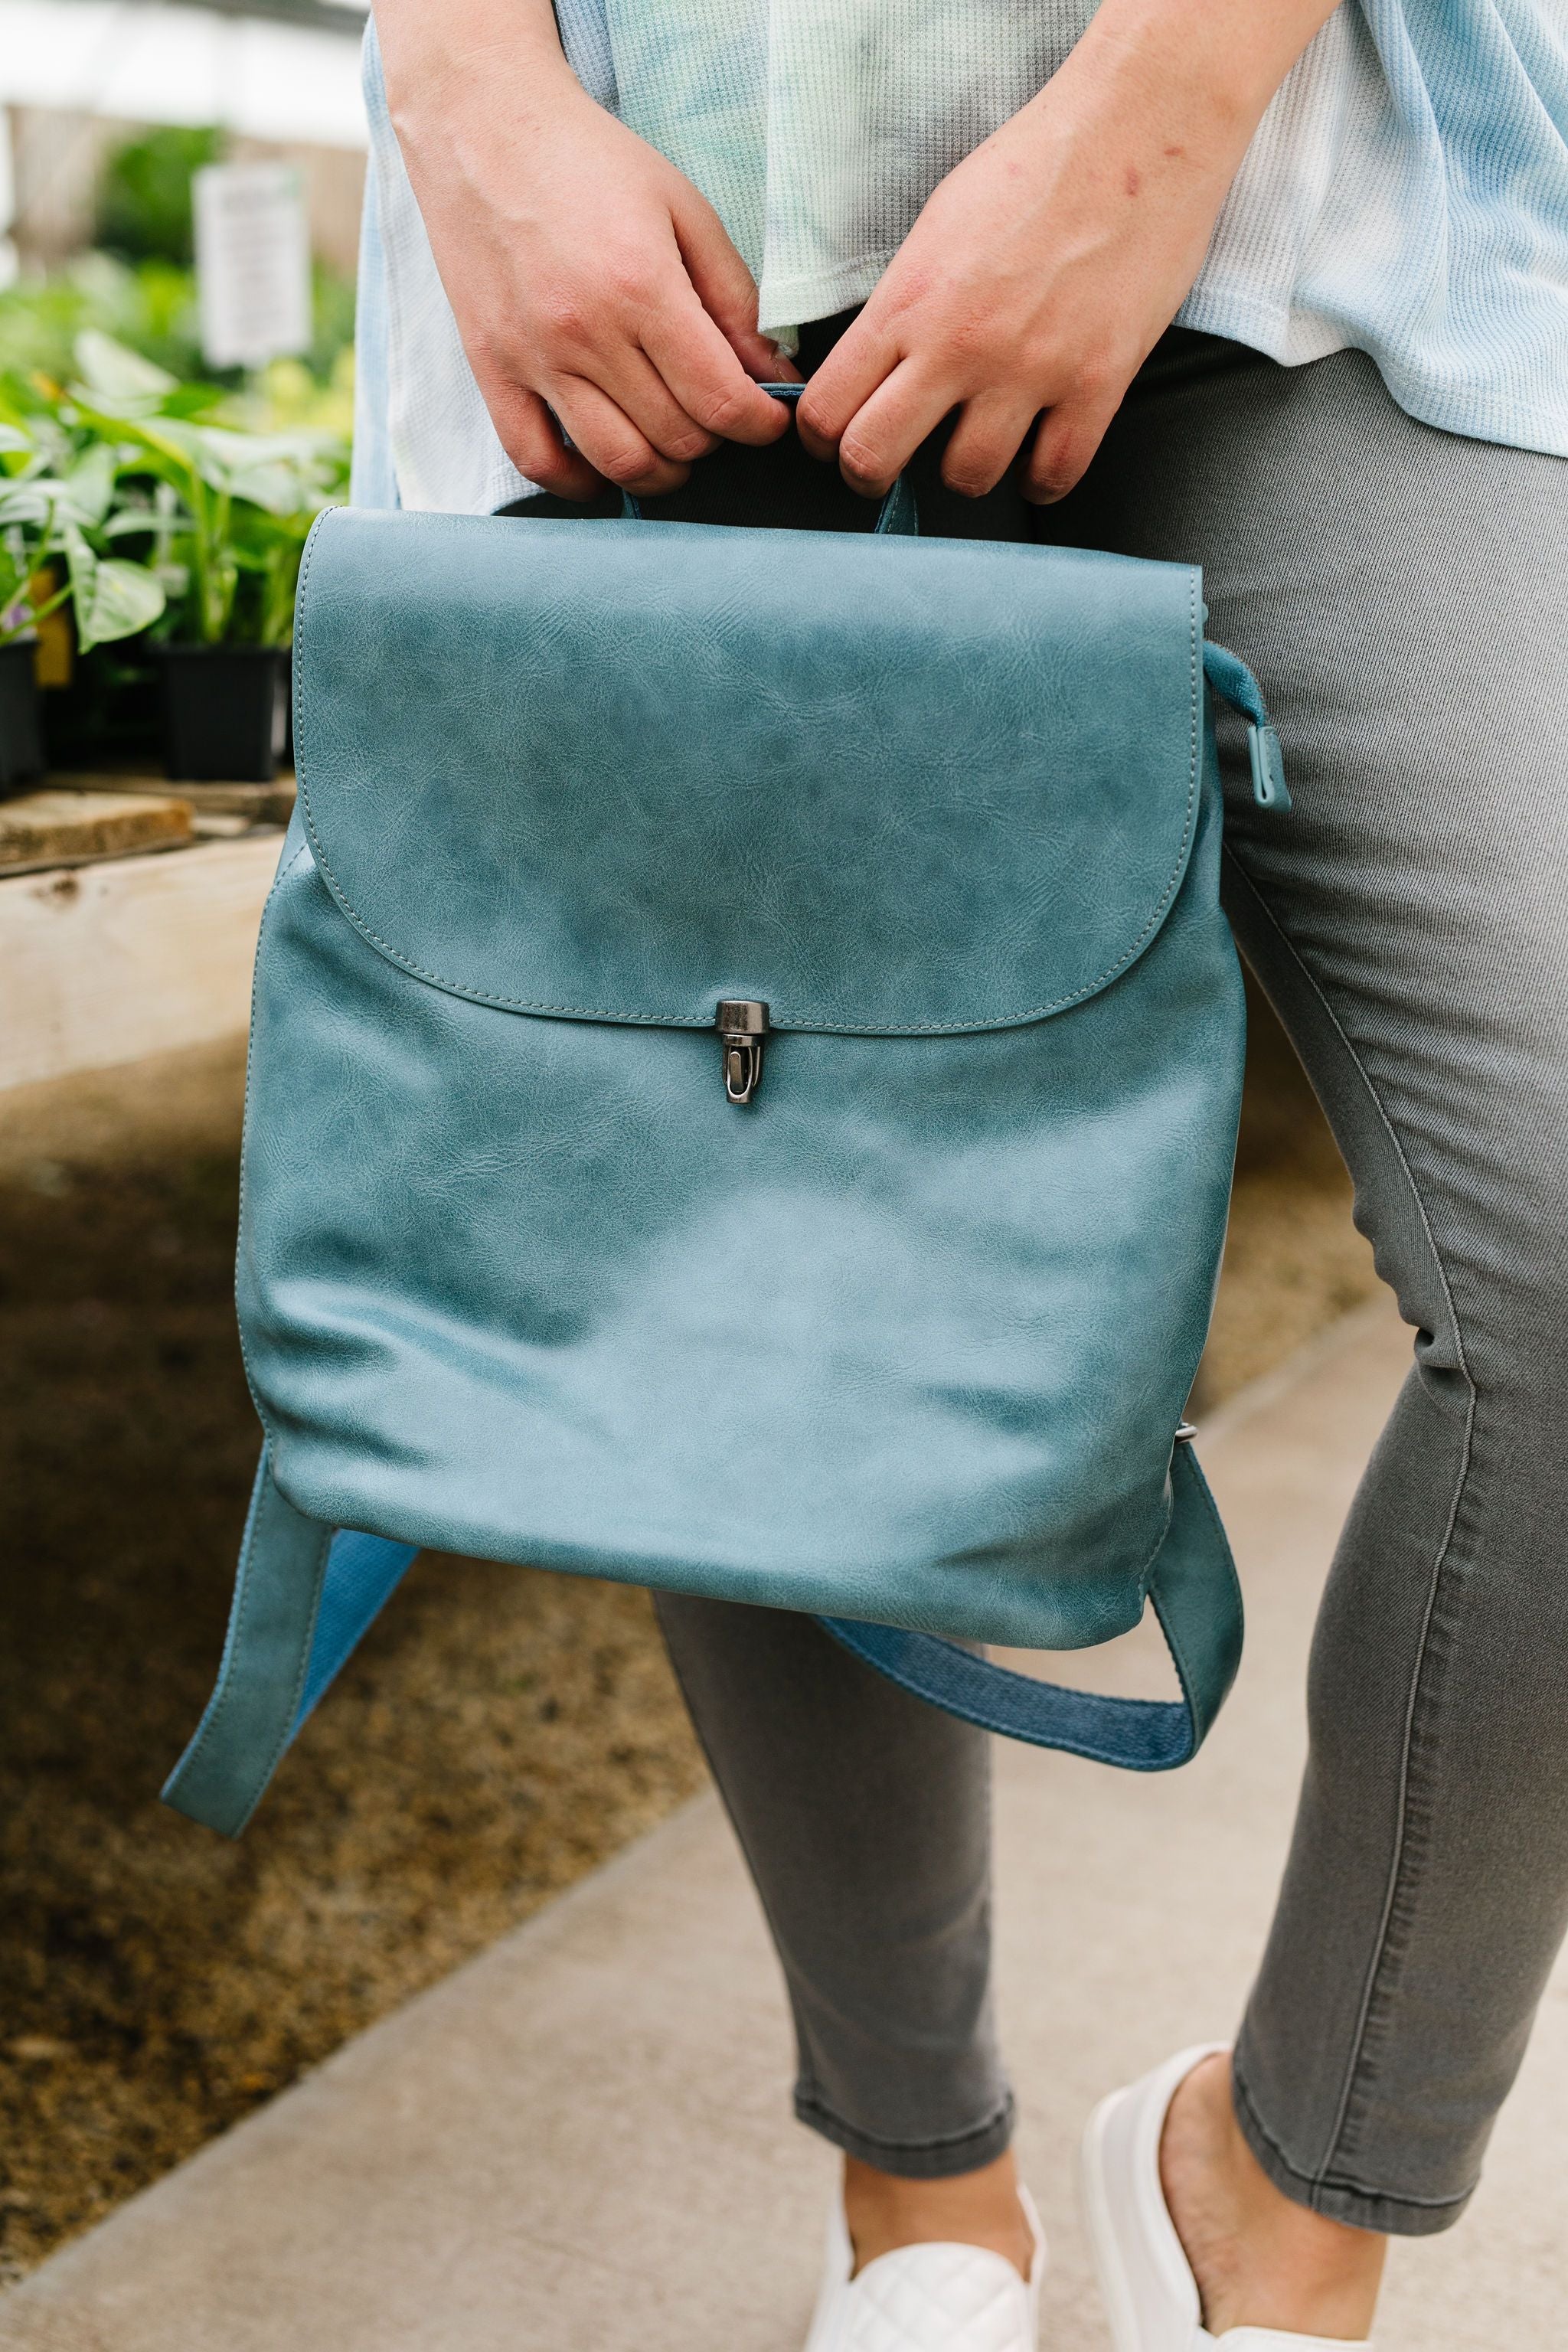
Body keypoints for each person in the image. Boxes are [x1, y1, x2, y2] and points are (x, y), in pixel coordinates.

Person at [357, 2, 1568, 2344]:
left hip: (1311, 239)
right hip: (672, 265)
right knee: (757, 1234)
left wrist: (1160, 102)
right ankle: (925, 2204)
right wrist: (471, 91)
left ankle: (1288, 2198)